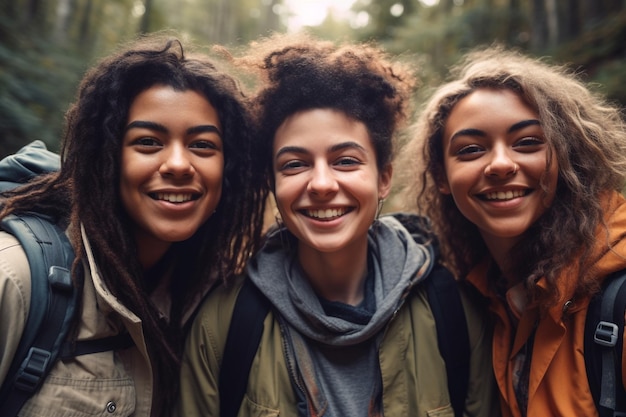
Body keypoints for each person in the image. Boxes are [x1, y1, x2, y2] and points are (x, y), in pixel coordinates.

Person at [179, 33, 498, 417]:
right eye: (294, 164)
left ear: (384, 179)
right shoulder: (223, 324)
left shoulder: (453, 311)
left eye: (345, 161)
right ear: (272, 183)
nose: (322, 185)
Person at [0, 34, 267, 416]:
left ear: (230, 169)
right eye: (148, 142)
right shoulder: (15, 279)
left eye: (203, 145)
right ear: (108, 157)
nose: (178, 164)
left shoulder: (209, 298)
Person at [404, 45, 626, 417]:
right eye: (471, 149)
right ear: (442, 177)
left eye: (527, 142)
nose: (501, 164)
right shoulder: (486, 301)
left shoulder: (616, 297)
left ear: (564, 156)